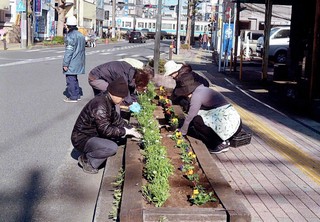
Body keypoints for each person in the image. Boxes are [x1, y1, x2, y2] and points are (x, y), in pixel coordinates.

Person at [71, 77, 142, 174]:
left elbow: (116, 120)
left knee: (119, 138)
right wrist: (125, 131)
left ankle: (94, 153)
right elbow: (105, 130)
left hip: (92, 134)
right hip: (82, 138)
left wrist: (130, 128)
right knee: (111, 147)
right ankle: (87, 160)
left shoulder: (107, 100)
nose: (122, 100)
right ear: (114, 94)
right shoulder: (100, 105)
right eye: (121, 97)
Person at [174, 73, 242, 154]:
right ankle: (223, 139)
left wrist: (182, 132)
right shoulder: (201, 89)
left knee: (197, 120)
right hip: (236, 122)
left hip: (228, 123)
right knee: (200, 117)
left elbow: (191, 116)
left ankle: (219, 143)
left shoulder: (196, 96)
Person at [88, 59, 152, 106]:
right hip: (95, 78)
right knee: (114, 97)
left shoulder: (132, 74)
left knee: (100, 101)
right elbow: (124, 94)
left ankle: (97, 113)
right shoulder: (123, 76)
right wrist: (131, 104)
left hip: (103, 77)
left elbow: (131, 88)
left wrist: (134, 100)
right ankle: (112, 120)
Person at [63, 16, 86, 103]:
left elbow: (69, 51)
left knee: (70, 78)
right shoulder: (81, 35)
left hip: (72, 61)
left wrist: (65, 64)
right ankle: (77, 94)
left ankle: (73, 97)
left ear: (68, 25)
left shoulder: (70, 36)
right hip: (79, 60)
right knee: (74, 78)